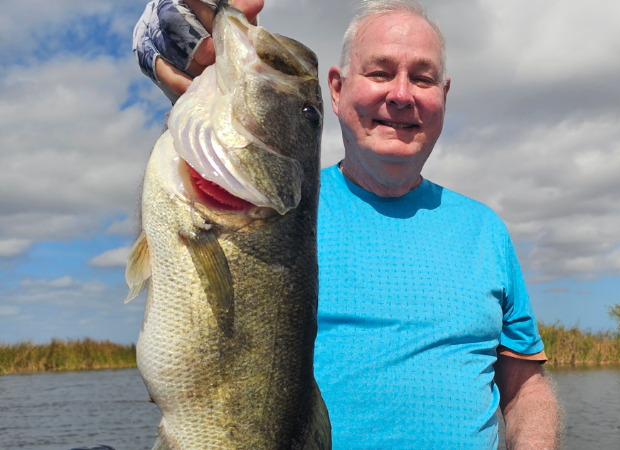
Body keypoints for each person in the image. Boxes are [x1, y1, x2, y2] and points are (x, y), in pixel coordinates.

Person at [133, 1, 562, 449]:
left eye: (422, 77)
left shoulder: (486, 230)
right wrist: (179, 27)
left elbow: (524, 386)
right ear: (335, 90)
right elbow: (160, 40)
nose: (401, 94)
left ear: (444, 95)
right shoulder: (282, 210)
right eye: (379, 73)